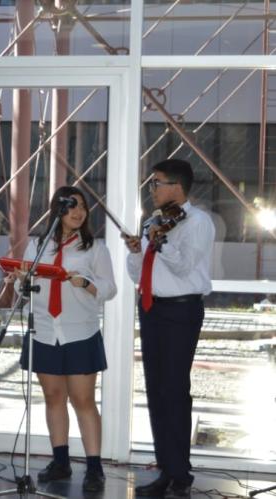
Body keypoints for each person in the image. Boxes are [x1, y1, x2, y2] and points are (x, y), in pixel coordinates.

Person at [6, 186, 116, 493]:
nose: (78, 212)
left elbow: (110, 289)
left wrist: (86, 283)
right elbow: (23, 292)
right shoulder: (38, 246)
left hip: (80, 331)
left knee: (83, 400)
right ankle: (61, 461)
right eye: (70, 207)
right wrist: (20, 281)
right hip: (43, 330)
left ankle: (94, 468)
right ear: (58, 211)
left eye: (82, 207)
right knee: (54, 397)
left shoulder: (94, 248)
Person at [125, 159, 214, 498]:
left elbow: (184, 266)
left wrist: (159, 242)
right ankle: (166, 468)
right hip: (151, 309)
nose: (152, 189)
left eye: (157, 183)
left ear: (177, 187)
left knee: (174, 391)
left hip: (180, 311)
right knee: (156, 391)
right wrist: (137, 252)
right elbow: (138, 275)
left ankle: (180, 473)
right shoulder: (154, 222)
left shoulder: (197, 223)